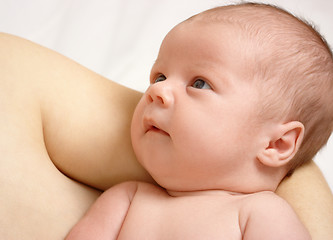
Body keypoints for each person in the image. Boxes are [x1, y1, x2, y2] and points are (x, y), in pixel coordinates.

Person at [0, 3, 332, 240]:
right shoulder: (126, 200)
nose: (157, 90)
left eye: (199, 83)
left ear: (276, 144)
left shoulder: (260, 214)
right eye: (159, 75)